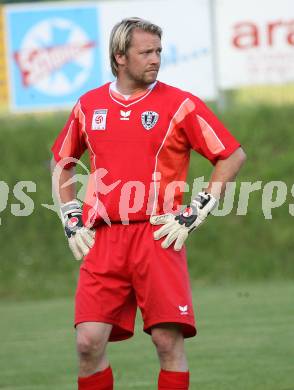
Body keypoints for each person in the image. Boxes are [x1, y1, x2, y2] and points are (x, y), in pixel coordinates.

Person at [51, 17, 246, 390]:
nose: (155, 59)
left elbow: (232, 155)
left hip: (159, 236)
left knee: (166, 342)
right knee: (88, 343)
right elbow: (63, 161)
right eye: (146, 52)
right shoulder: (88, 106)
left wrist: (199, 206)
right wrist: (70, 213)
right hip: (103, 239)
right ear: (119, 56)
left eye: (159, 51)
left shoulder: (181, 104)